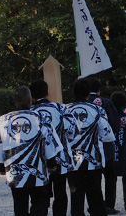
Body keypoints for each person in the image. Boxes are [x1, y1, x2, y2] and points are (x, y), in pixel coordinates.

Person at [0, 86, 58, 216]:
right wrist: (51, 162)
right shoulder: (40, 117)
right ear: (30, 100)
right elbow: (49, 142)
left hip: (15, 170)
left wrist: (0, 165)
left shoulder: (4, 120)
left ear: (15, 101)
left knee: (19, 204)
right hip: (37, 169)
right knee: (39, 203)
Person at [64, 80, 115, 216]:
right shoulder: (97, 110)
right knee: (95, 196)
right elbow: (108, 136)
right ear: (88, 94)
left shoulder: (64, 109)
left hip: (72, 160)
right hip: (93, 160)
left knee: (76, 197)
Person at [29, 81, 76, 215]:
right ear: (48, 92)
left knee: (39, 195)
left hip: (38, 160)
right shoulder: (61, 108)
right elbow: (72, 130)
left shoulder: (30, 112)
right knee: (60, 191)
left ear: (31, 96)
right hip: (60, 156)